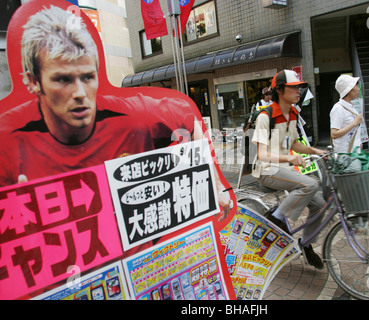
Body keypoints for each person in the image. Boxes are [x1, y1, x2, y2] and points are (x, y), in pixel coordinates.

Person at [0, 5, 231, 220]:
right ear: (33, 81)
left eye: (88, 77)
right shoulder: (8, 140)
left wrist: (216, 185)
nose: (80, 92)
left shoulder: (131, 113)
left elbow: (188, 118)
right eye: (63, 80)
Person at [251, 70, 326, 269]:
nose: (298, 90)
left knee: (320, 203)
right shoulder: (265, 116)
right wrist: (290, 157)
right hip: (267, 170)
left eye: (299, 87)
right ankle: (276, 220)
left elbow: (293, 143)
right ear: (280, 90)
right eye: (294, 87)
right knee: (310, 184)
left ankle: (306, 244)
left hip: (285, 169)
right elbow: (262, 155)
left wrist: (315, 150)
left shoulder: (293, 113)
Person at [330, 74, 364, 153]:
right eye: (355, 85)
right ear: (349, 90)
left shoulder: (350, 106)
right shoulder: (338, 108)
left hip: (354, 152)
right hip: (345, 155)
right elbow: (334, 134)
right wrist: (354, 122)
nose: (358, 89)